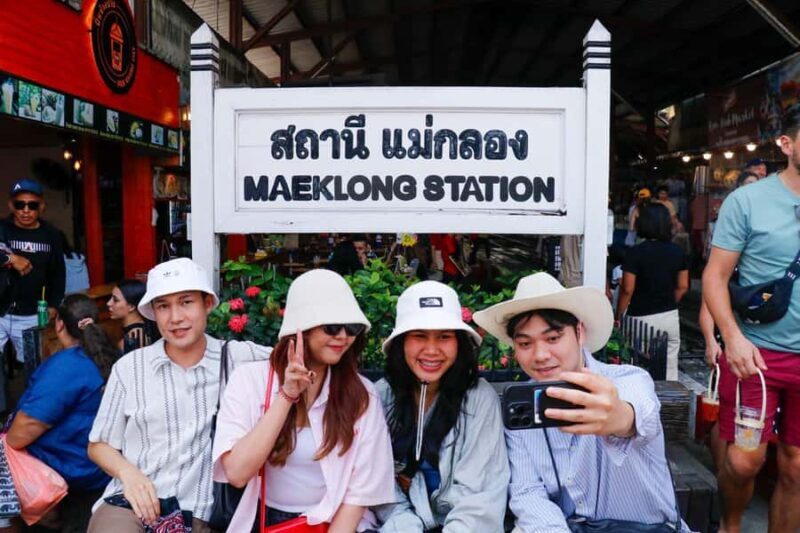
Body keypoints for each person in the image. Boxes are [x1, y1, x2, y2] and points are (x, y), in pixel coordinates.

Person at [473, 272, 689, 532]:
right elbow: (527, 492)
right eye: (525, 343)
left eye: (553, 338)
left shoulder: (627, 380)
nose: (541, 355)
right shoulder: (521, 410)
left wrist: (620, 418)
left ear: (579, 332)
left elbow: (641, 414)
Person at [86, 258, 271, 532]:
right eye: (163, 306)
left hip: (201, 513)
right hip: (132, 505)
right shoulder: (131, 367)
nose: (175, 318)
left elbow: (299, 359)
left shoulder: (238, 358)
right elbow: (98, 444)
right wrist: (129, 474)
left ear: (207, 303)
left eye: (186, 302)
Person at [212, 269, 394, 531]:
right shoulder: (249, 380)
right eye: (331, 327)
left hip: (337, 521)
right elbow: (237, 474)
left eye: (352, 327)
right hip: (266, 519)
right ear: (301, 329)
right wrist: (286, 396)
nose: (343, 336)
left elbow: (359, 494)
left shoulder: (362, 393)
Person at [703, 114, 800, 532]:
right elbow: (715, 276)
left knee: (797, 468)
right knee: (745, 460)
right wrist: (733, 339)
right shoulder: (748, 201)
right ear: (786, 144)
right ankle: (731, 526)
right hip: (756, 356)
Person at [373, 281, 509, 532]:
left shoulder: (479, 399)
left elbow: (479, 499)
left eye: (445, 336)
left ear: (459, 343)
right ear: (401, 342)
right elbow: (379, 488)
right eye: (419, 336)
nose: (432, 350)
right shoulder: (379, 397)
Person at [0, 294, 116, 532]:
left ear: (60, 324)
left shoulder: (66, 366)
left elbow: (19, 434)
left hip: (69, 468)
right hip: (102, 466)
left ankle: (40, 517)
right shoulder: (112, 356)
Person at [616, 203, 689, 381]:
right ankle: (668, 405)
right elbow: (683, 286)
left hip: (639, 317)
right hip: (669, 316)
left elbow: (627, 289)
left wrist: (619, 315)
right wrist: (668, 302)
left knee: (637, 366)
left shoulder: (635, 253)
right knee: (669, 369)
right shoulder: (678, 252)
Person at [0, 178, 65, 362]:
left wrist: (53, 304)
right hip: (1, 310)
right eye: (20, 204)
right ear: (11, 206)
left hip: (31, 314)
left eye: (32, 205)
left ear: (42, 206)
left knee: (33, 365)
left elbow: (57, 272)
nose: (26, 210)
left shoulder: (51, 234)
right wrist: (11, 258)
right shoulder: (2, 229)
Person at [107, 279, 158, 353]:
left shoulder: (133, 338)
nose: (108, 303)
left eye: (115, 300)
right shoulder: (144, 328)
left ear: (131, 307)